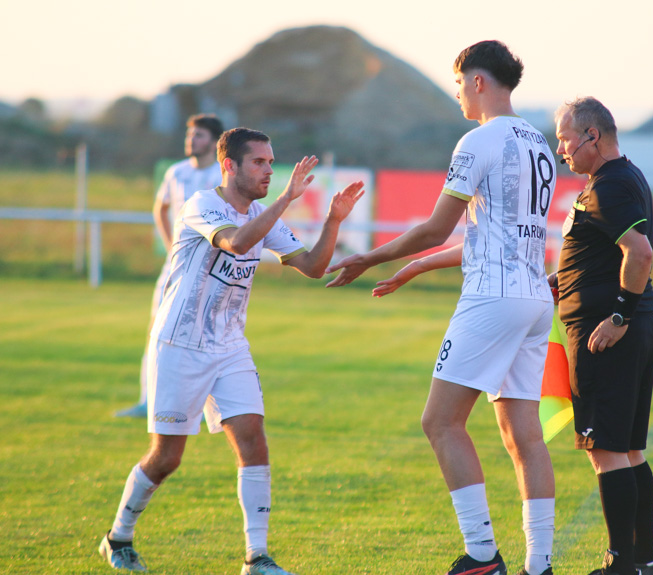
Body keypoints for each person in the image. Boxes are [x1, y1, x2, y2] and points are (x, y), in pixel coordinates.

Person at [326, 40, 556, 575]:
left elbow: (435, 227)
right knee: (524, 434)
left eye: (458, 83)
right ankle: (539, 566)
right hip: (534, 300)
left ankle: (481, 558)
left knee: (441, 422)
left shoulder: (478, 139)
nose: (457, 95)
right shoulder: (540, 143)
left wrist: (370, 257)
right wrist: (416, 267)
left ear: (478, 81)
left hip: (493, 298)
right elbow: (495, 236)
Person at [98, 127, 365, 574]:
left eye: (270, 161)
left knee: (253, 440)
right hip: (179, 344)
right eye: (259, 162)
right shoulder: (203, 204)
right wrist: (286, 199)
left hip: (229, 347)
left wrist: (334, 220)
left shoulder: (266, 215)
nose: (268, 170)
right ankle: (118, 538)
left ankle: (255, 558)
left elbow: (313, 268)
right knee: (167, 457)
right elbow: (236, 242)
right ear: (230, 166)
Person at [550, 97, 653, 575]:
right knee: (630, 450)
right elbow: (608, 252)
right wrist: (568, 280)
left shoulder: (609, 185)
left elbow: (638, 254)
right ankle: (646, 561)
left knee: (606, 451)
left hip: (608, 336)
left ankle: (620, 565)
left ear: (592, 136)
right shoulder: (625, 176)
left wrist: (617, 317)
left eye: (565, 139)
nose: (562, 150)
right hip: (631, 329)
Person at [116, 114, 225, 418]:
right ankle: (147, 401)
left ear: (215, 142)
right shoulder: (176, 172)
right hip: (176, 267)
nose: (192, 140)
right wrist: (170, 247)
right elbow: (160, 208)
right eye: (190, 134)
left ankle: (207, 407)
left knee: (206, 334)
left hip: (208, 270)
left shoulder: (222, 176)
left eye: (200, 135)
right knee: (157, 329)